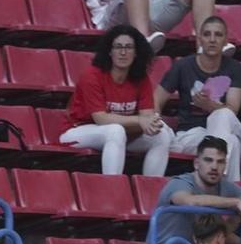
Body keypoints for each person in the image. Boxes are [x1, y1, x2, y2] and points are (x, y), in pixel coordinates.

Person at [63, 24, 168, 177]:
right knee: (115, 130)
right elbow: (101, 119)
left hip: (118, 135)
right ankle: (112, 188)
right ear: (110, 51)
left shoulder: (141, 78)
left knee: (161, 134)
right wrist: (140, 121)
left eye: (129, 47)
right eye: (118, 47)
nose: (123, 52)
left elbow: (148, 118)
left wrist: (149, 123)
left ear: (136, 52)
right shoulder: (92, 75)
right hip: (77, 131)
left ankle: (151, 192)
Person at [155, 15, 241, 179]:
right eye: (207, 34)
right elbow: (156, 100)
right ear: (199, 39)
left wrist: (209, 106)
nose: (212, 40)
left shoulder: (234, 68)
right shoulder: (183, 66)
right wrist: (159, 126)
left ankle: (216, 178)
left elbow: (233, 109)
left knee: (223, 115)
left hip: (229, 126)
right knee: (232, 143)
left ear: (226, 40)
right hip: (191, 134)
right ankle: (227, 190)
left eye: (218, 35)